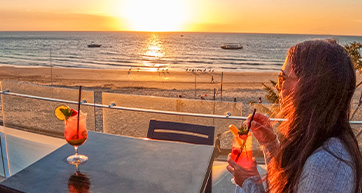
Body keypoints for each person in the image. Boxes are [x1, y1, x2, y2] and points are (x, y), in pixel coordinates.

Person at [227, 39, 362, 193]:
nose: (277, 86)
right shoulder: (317, 139)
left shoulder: (327, 164)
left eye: (283, 78)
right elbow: (287, 186)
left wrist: (250, 182)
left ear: (310, 87)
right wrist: (270, 143)